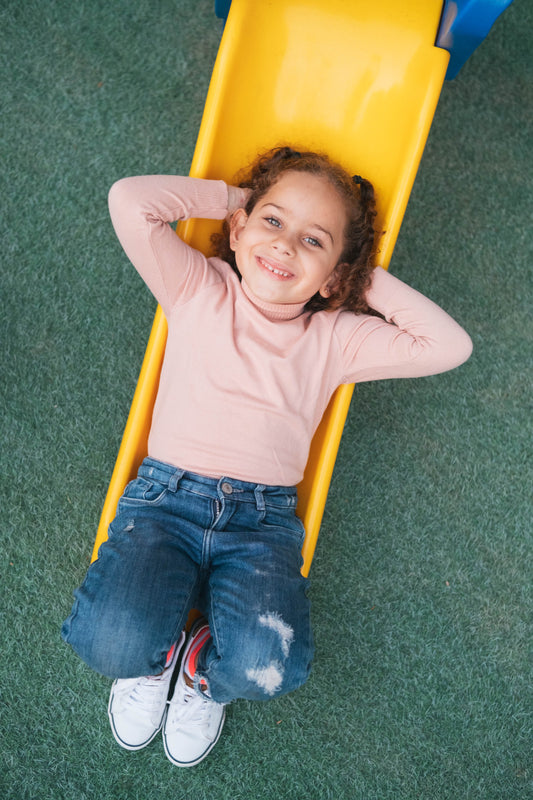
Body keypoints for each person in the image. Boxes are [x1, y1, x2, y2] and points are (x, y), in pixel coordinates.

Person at [61, 146, 472, 768]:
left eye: (314, 241)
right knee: (109, 645)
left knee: (267, 670)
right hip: (165, 503)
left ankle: (201, 670)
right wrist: (234, 199)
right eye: (273, 222)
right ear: (240, 230)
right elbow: (131, 201)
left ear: (334, 277)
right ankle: (152, 657)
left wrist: (358, 273)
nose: (285, 247)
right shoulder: (198, 285)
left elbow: (448, 345)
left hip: (261, 526)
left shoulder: (336, 336)